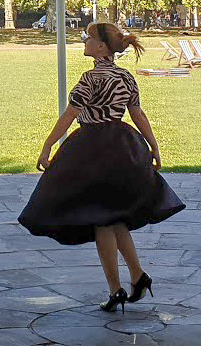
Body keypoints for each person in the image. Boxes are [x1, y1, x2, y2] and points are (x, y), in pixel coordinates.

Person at [18, 21, 185, 312]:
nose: (84, 40)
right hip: (123, 148)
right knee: (114, 217)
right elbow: (137, 114)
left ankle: (115, 289)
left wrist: (47, 145)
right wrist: (153, 145)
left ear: (101, 47)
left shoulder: (90, 79)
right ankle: (138, 276)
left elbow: (70, 116)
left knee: (102, 221)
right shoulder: (125, 77)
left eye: (89, 38)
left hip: (92, 150)